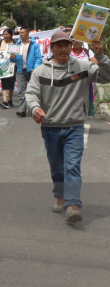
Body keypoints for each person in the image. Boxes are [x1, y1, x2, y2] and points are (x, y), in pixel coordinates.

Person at [25, 32, 110, 224]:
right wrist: (35, 108)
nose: (63, 49)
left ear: (72, 47)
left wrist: (102, 55)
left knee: (72, 165)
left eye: (67, 45)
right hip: (50, 127)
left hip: (74, 127)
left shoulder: (83, 66)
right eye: (59, 45)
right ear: (51, 48)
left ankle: (73, 204)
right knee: (57, 169)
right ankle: (60, 195)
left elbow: (105, 77)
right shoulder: (41, 71)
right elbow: (31, 94)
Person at [14, 26, 42, 117]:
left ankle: (34, 108)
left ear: (28, 33)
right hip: (20, 70)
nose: (21, 34)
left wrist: (35, 68)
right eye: (20, 33)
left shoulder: (34, 44)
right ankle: (22, 110)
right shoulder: (17, 44)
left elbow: (38, 58)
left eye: (22, 32)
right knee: (22, 91)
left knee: (33, 90)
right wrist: (12, 58)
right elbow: (13, 60)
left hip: (31, 71)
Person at [70, 39, 99, 117]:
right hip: (71, 82)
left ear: (82, 41)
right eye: (74, 40)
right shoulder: (68, 52)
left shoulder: (88, 52)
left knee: (85, 99)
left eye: (78, 40)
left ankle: (84, 115)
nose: (76, 42)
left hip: (85, 81)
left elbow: (95, 65)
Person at [0, 27, 17, 109]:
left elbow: (17, 55)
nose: (5, 36)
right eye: (4, 34)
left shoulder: (14, 43)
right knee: (4, 82)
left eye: (6, 34)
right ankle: (4, 101)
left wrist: (14, 56)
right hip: (2, 66)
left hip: (12, 66)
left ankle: (10, 100)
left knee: (11, 82)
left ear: (11, 35)